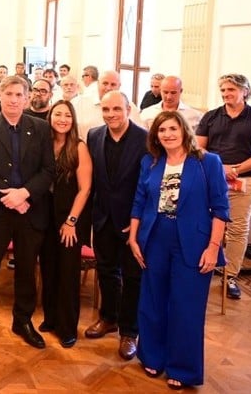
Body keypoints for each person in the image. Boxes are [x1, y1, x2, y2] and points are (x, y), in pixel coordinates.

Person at [129, 110, 230, 389]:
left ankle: (183, 368)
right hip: (155, 237)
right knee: (152, 301)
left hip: (194, 242)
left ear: (184, 130)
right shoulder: (150, 161)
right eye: (162, 131)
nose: (168, 135)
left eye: (173, 129)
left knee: (186, 307)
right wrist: (134, 238)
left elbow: (221, 209)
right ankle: (152, 356)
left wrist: (213, 248)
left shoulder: (208, 162)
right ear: (156, 136)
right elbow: (139, 202)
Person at [0, 76, 54, 349]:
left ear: (27, 98)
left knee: (27, 269)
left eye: (19, 95)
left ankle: (23, 320)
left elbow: (48, 169)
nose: (14, 99)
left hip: (29, 209)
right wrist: (9, 196)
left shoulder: (40, 128)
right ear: (0, 96)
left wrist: (24, 194)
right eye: (9, 94)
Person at [195, 73, 251, 300]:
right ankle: (205, 265)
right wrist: (219, 168)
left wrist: (235, 169)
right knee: (205, 224)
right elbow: (199, 148)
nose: (226, 94)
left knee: (238, 229)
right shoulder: (211, 117)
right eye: (223, 90)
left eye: (230, 90)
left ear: (245, 91)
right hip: (212, 177)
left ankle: (230, 276)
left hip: (244, 179)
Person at [84, 90, 147, 361]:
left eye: (116, 110)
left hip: (132, 223)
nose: (111, 115)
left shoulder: (146, 139)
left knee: (133, 278)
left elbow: (148, 185)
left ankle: (129, 331)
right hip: (103, 219)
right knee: (107, 271)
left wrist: (137, 220)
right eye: (106, 110)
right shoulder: (94, 135)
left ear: (128, 110)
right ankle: (108, 317)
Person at [38, 100, 92, 348]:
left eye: (67, 115)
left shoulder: (79, 147)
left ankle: (67, 327)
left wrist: (71, 221)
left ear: (73, 120)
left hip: (69, 218)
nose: (62, 119)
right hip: (45, 217)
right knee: (48, 268)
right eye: (57, 114)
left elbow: (85, 189)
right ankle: (50, 318)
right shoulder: (44, 143)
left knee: (68, 273)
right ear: (50, 117)